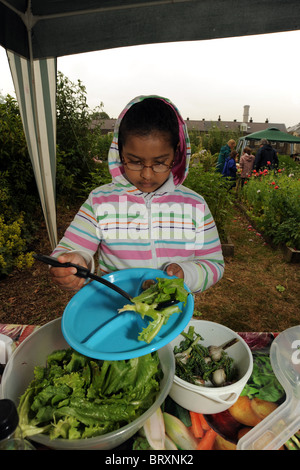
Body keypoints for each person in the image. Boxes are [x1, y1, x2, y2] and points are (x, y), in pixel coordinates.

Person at [49, 95, 224, 294]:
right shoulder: (100, 201)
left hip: (171, 316)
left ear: (176, 154)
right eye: (134, 161)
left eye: (159, 162)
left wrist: (186, 273)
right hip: (115, 311)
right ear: (119, 151)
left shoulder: (195, 205)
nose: (146, 175)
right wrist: (75, 262)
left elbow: (214, 264)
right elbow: (68, 251)